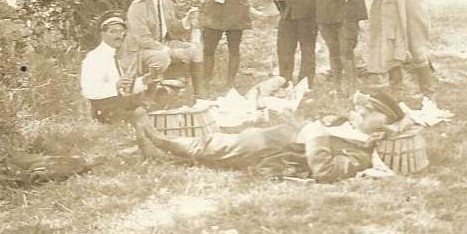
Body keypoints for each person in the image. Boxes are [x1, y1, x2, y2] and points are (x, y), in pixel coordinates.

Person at [133, 90, 407, 182]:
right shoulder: (352, 130)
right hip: (279, 138)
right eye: (359, 108)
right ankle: (164, 147)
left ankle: (160, 143)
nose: (356, 111)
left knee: (217, 146)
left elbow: (324, 170)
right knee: (225, 143)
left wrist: (316, 134)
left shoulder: (361, 156)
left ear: (380, 129)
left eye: (366, 112)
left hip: (275, 151)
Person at [124, 0, 204, 99]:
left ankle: (198, 95)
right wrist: (170, 51)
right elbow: (143, 39)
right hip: (140, 50)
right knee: (162, 56)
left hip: (161, 43)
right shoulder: (138, 6)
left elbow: (172, 29)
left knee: (196, 50)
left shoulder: (166, 1)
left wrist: (186, 20)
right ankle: (150, 96)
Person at [81, 12, 151, 123]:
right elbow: (89, 90)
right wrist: (116, 85)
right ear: (103, 34)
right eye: (113, 32)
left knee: (153, 109)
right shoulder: (95, 58)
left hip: (122, 104)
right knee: (141, 114)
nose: (119, 35)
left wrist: (143, 81)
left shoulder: (120, 54)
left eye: (121, 31)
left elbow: (125, 88)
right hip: (104, 110)